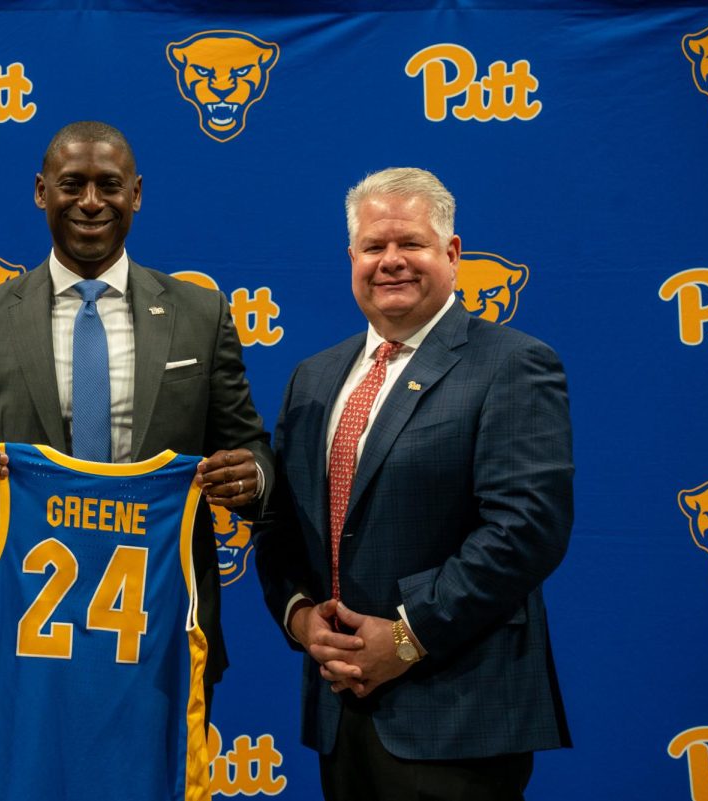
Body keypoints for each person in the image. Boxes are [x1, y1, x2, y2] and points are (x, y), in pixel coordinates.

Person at [0, 120, 272, 699]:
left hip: (161, 615)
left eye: (110, 185)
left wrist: (250, 477)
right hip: (22, 613)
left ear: (137, 193)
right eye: (72, 184)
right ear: (41, 190)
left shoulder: (201, 315)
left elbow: (253, 450)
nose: (92, 202)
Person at [253, 168, 573, 800]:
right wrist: (298, 619)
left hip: (458, 715)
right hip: (341, 714)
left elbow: (525, 530)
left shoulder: (513, 364)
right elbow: (282, 525)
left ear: (452, 254)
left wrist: (404, 638)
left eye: (411, 245)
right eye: (374, 248)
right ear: (352, 258)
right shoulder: (312, 379)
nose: (390, 262)